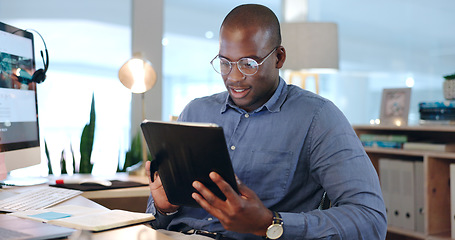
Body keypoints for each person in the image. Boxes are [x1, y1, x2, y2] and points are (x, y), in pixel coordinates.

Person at [146, 4, 387, 240]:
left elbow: (371, 219)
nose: (234, 77)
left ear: (279, 57)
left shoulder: (318, 118)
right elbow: (154, 221)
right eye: (225, 63)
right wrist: (164, 208)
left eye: (248, 64)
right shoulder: (195, 111)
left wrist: (271, 223)